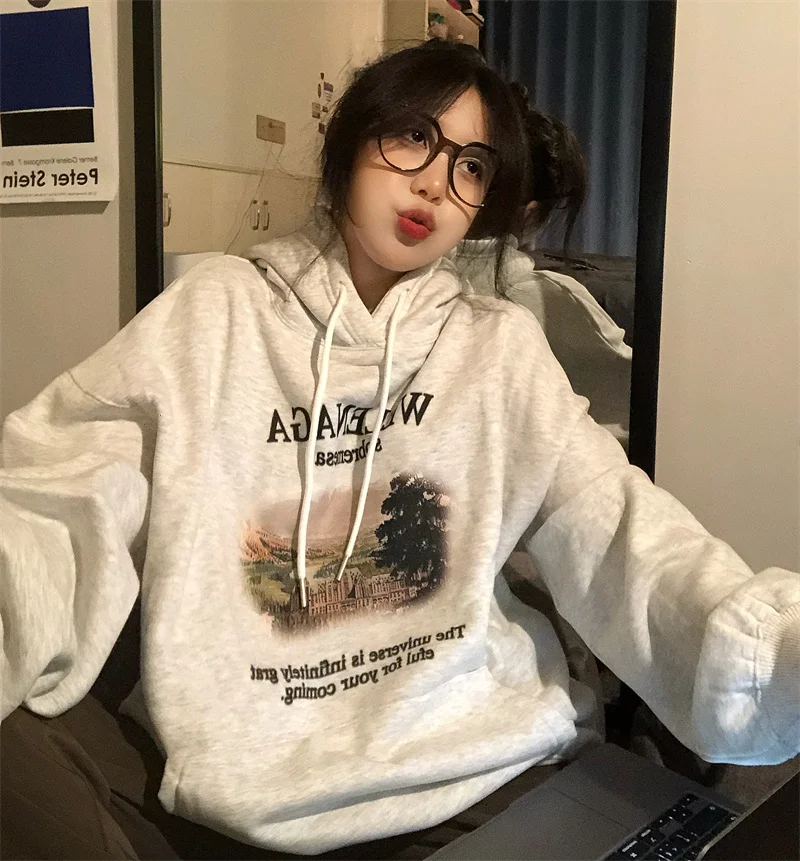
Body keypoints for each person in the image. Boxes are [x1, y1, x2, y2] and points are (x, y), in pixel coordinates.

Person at [1, 40, 798, 861]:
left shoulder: (498, 348)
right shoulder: (213, 316)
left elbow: (621, 528)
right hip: (250, 775)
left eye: (471, 167)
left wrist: (777, 651)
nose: (436, 184)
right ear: (352, 138)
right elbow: (60, 497)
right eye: (415, 136)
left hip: (477, 767)